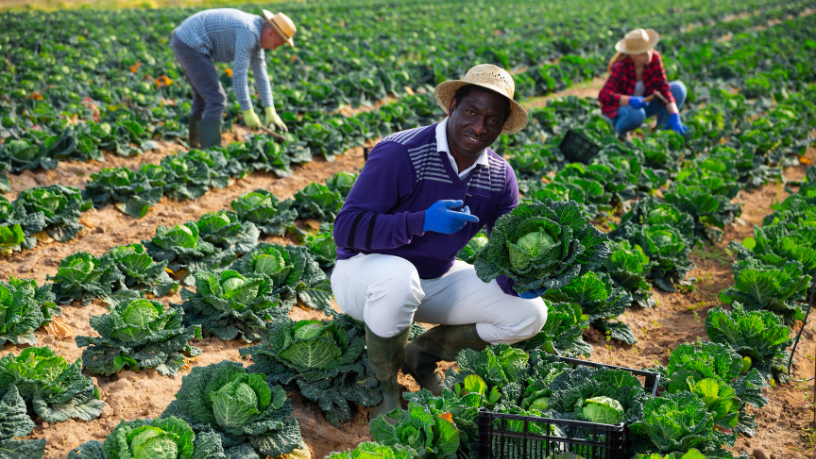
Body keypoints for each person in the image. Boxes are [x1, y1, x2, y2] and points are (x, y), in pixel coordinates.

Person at [331, 64, 549, 421]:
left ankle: (424, 353)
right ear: (453, 108)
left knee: (530, 313)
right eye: (472, 112)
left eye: (492, 120)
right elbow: (347, 229)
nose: (480, 127)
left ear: (502, 126)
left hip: (433, 279)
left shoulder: (499, 176)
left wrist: (522, 279)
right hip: (365, 277)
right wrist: (421, 221)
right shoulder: (400, 153)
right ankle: (385, 389)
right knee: (398, 277)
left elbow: (503, 249)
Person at [171, 9, 296, 149]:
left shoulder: (257, 34)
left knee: (203, 96)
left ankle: (196, 145)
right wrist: (248, 111)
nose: (274, 49)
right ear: (271, 33)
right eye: (277, 44)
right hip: (189, 42)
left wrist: (270, 110)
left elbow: (261, 75)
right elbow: (238, 76)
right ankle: (210, 151)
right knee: (216, 98)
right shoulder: (248, 32)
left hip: (186, 39)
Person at [599, 28, 688, 138]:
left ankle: (661, 133)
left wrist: (675, 113)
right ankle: (617, 135)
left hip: (644, 105)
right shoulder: (620, 67)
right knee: (637, 114)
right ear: (632, 55)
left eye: (649, 48)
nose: (648, 54)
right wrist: (629, 100)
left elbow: (663, 88)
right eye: (642, 53)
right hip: (621, 111)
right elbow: (603, 95)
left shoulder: (654, 59)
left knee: (679, 89)